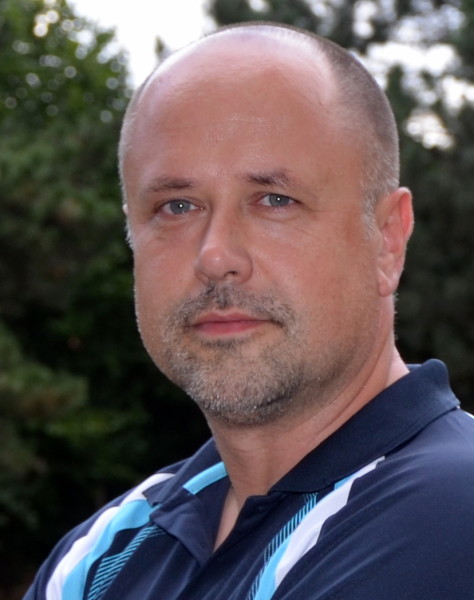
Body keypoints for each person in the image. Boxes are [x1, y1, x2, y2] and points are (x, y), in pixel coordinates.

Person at [25, 22, 474, 600]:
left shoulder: (450, 513)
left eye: (274, 200)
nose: (215, 256)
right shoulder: (103, 553)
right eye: (177, 206)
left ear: (387, 239)